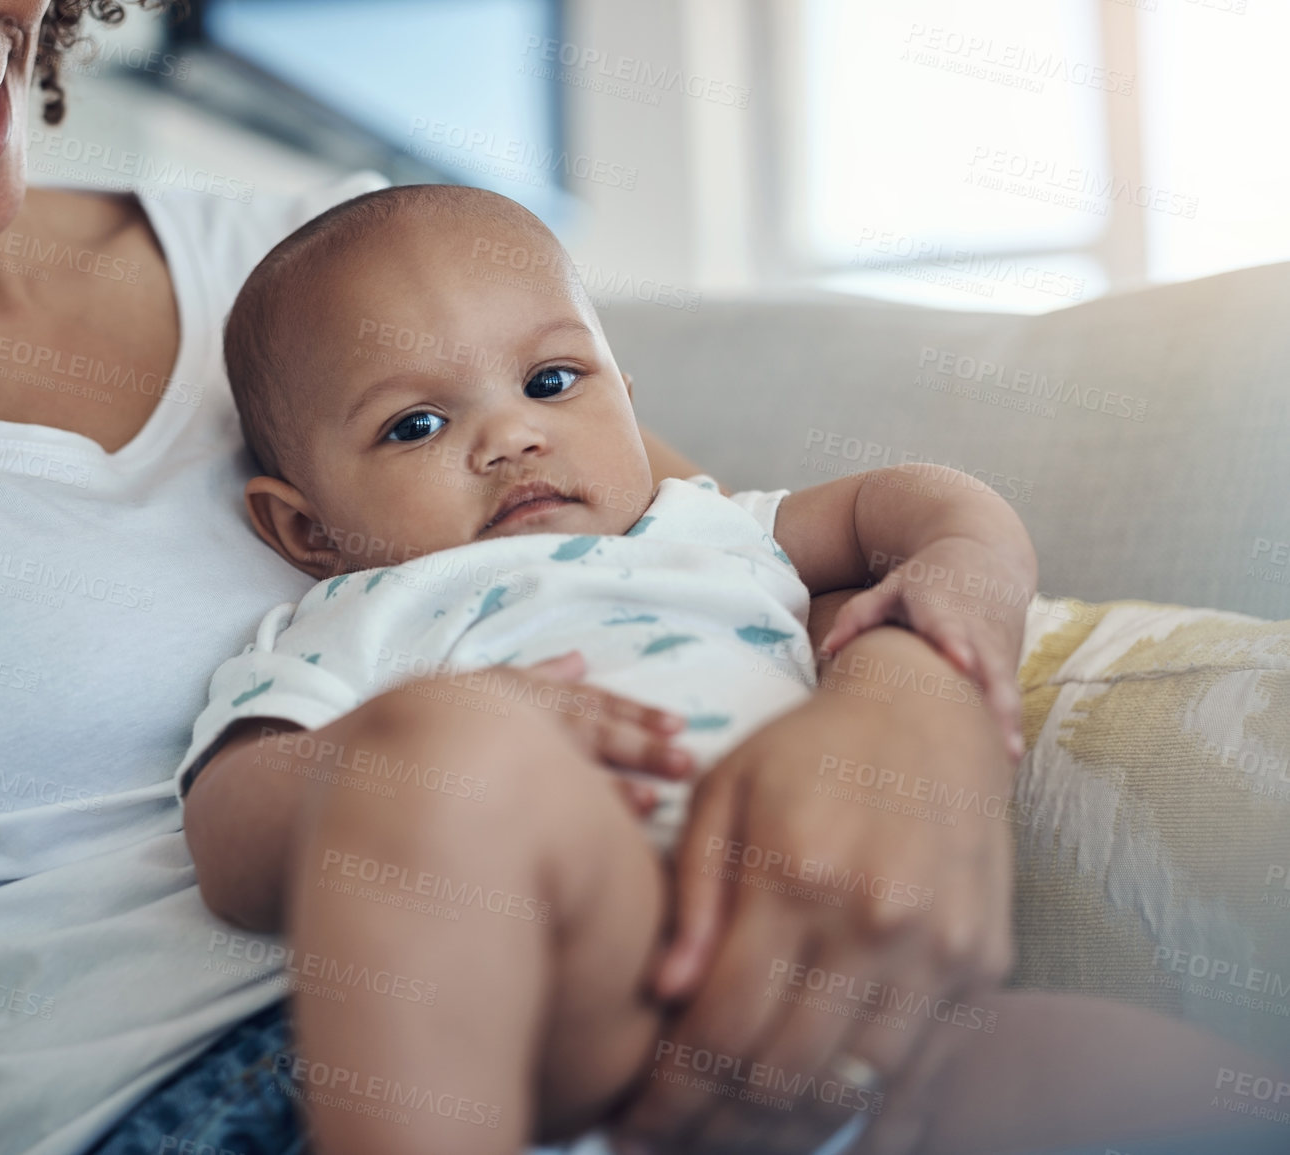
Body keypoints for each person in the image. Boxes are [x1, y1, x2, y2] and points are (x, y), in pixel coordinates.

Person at [0, 3, 1029, 1153]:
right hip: (200, 1097)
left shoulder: (337, 266)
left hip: (634, 981)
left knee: (1096, 1073)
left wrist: (911, 717)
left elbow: (694, 562)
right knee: (444, 752)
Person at [177, 183, 1036, 1154]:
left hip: (835, 981)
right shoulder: (363, 611)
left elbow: (906, 499)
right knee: (437, 746)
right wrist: (428, 742)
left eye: (550, 381)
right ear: (305, 530)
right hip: (584, 992)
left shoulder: (707, 524)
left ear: (627, 402)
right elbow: (227, 833)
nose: (511, 437)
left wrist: (973, 568)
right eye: (415, 425)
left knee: (1146, 1076)